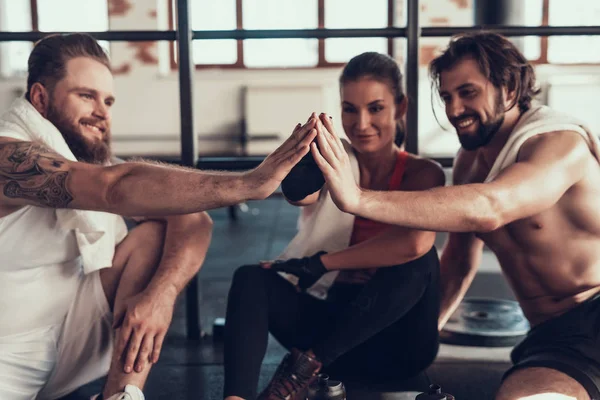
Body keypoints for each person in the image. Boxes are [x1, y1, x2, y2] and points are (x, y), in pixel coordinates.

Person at [0, 33, 316, 400]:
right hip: (6, 359)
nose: (102, 112)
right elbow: (112, 187)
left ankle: (120, 395)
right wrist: (248, 183)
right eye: (86, 96)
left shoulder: (87, 162)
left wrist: (160, 295)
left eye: (108, 100)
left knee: (154, 236)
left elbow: (193, 220)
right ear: (40, 98)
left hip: (65, 339)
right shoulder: (10, 161)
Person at [311, 32, 600, 400]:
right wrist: (423, 337)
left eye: (468, 92)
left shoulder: (558, 143)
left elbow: (490, 208)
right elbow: (460, 261)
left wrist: (356, 198)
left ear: (509, 88)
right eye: (447, 96)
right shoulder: (469, 164)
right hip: (557, 337)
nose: (454, 110)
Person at [223, 52, 446, 400]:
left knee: (422, 258)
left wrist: (322, 264)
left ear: (400, 108)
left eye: (375, 108)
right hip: (333, 323)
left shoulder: (422, 173)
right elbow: (300, 196)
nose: (361, 123)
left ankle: (306, 366)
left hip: (399, 344)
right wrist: (303, 160)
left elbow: (413, 245)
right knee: (250, 278)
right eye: (349, 109)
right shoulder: (333, 160)